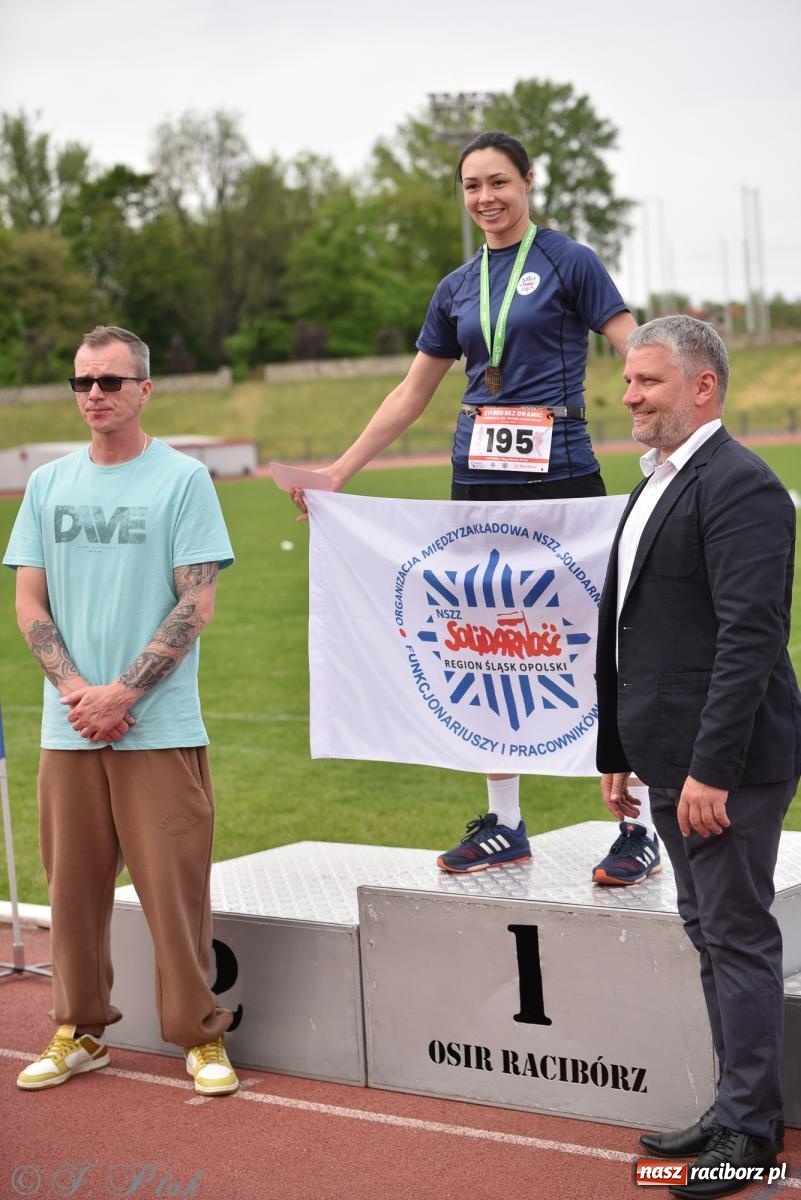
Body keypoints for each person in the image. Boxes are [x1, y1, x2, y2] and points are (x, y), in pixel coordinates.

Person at [291, 129, 655, 881]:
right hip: (477, 484)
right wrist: (340, 470)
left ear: (527, 182)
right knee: (483, 641)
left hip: (562, 481)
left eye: (498, 182)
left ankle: (637, 827)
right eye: (471, 186)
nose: (485, 197)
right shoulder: (456, 287)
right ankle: (505, 822)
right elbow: (412, 392)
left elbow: (635, 345)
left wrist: (665, 416)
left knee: (601, 642)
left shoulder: (568, 261)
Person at [595, 315, 801, 1199]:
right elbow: (626, 630)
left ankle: (751, 1132)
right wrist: (618, 750)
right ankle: (733, 1109)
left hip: (730, 765)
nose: (629, 396)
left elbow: (749, 639)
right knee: (709, 934)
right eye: (629, 382)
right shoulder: (654, 482)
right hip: (669, 756)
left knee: (736, 937)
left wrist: (710, 770)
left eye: (647, 383)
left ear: (703, 387)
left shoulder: (741, 486)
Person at [4, 325, 239, 1097]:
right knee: (70, 892)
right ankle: (79, 1030)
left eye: (110, 381)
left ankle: (198, 1037)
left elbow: (196, 601)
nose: (95, 395)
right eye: (83, 383)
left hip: (156, 724)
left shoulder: (182, 480)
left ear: (144, 388)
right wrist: (78, 691)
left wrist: (125, 693)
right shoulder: (48, 484)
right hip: (70, 724)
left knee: (173, 890)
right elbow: (28, 598)